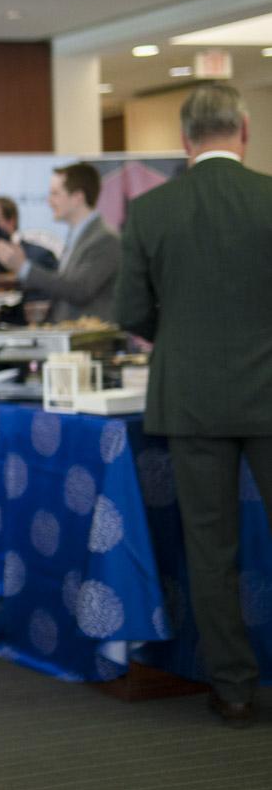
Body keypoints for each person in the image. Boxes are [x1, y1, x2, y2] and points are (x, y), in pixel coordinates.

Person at [116, 83, 272, 728]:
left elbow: (131, 314)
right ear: (243, 131)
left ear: (184, 141)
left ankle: (233, 690)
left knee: (212, 550)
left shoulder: (151, 211)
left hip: (190, 400)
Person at [0, 162, 120, 323]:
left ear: (77, 198)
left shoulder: (105, 239)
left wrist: (24, 267)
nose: (49, 201)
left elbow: (79, 290)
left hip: (91, 340)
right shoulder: (79, 236)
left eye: (55, 194)